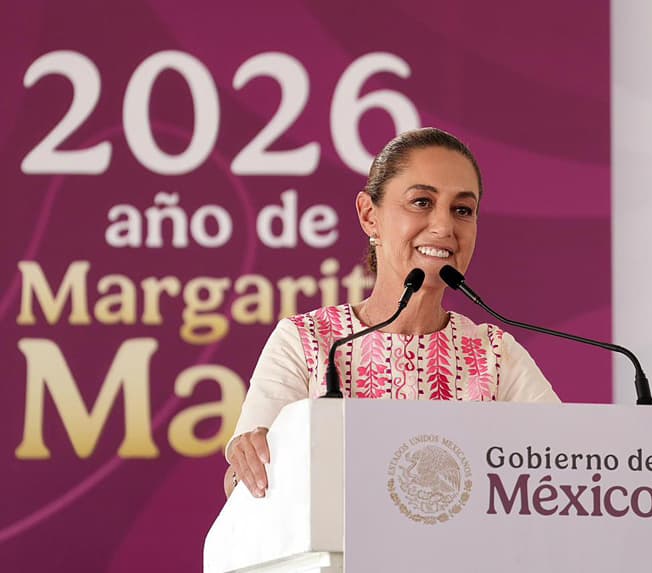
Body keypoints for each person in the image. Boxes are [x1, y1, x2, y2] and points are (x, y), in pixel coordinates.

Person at [224, 128, 560, 498]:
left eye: (462, 210)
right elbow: (246, 482)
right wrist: (248, 460)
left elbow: (562, 467)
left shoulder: (497, 355)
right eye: (421, 202)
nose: (444, 226)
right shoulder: (308, 341)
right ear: (370, 215)